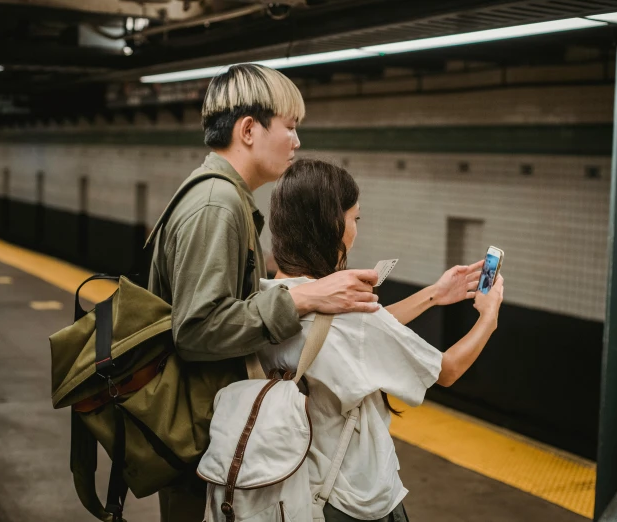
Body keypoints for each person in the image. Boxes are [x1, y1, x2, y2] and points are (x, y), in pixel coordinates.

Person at [148, 64, 384, 522]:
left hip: (210, 435)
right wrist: (300, 299)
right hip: (198, 442)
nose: (297, 142)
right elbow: (196, 330)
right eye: (291, 127)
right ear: (249, 129)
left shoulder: (224, 199)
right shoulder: (216, 205)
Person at [257, 158, 505, 522]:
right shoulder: (351, 321)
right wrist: (490, 316)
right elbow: (447, 370)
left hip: (290, 493)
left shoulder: (266, 301)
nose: (356, 229)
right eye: (355, 218)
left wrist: (435, 294)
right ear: (331, 226)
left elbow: (354, 336)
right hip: (354, 501)